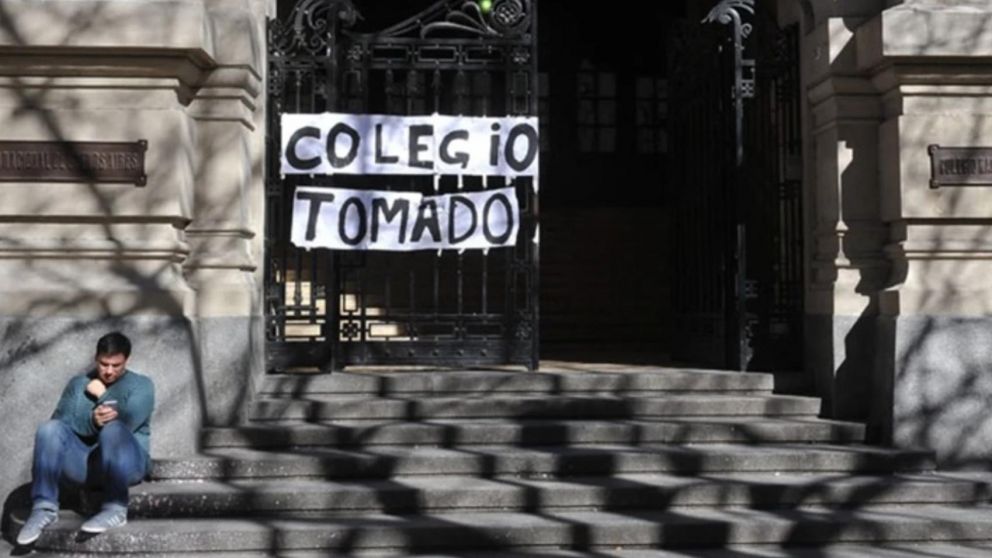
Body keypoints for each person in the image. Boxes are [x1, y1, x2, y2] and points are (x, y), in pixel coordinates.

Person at [16, 331, 154, 545]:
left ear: (127, 360)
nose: (108, 371)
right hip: (87, 465)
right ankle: (44, 508)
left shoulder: (142, 385)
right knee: (49, 430)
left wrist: (102, 395)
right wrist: (92, 421)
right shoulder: (78, 384)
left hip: (128, 465)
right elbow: (61, 423)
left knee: (113, 430)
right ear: (95, 358)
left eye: (116, 365)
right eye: (103, 364)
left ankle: (116, 508)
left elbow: (128, 420)